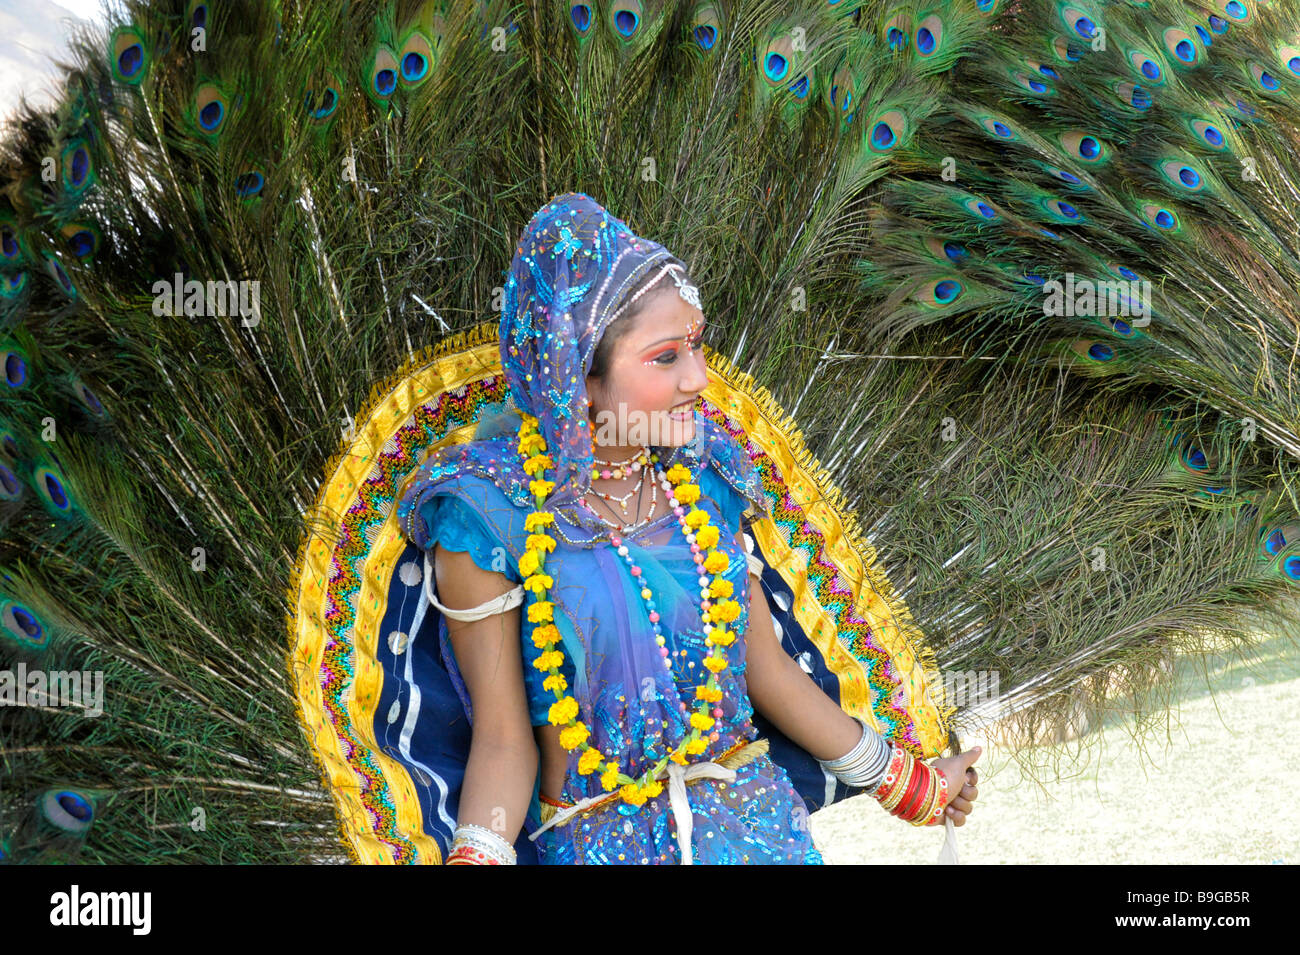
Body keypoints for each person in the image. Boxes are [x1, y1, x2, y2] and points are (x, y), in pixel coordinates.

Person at [396, 192, 981, 865]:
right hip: (599, 844)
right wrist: (476, 857)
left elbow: (768, 672)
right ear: (577, 374)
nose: (700, 379)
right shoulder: (489, 518)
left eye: (697, 346)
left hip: (760, 833)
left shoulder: (702, 482)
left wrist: (909, 783)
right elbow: (503, 741)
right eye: (666, 357)